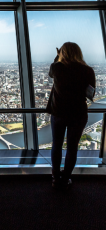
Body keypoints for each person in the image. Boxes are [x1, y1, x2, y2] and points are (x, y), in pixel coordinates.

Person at [46, 42, 96, 190]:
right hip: (78, 114)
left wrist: (57, 56)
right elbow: (90, 94)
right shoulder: (88, 71)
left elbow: (51, 73)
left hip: (59, 113)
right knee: (72, 147)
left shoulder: (57, 68)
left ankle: (55, 177)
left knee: (57, 144)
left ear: (62, 53)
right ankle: (66, 177)